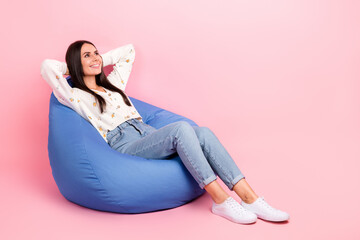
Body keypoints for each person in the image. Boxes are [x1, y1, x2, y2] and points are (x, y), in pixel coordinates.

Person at [41, 40, 290, 224]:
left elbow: (129, 51)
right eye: (88, 55)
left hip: (146, 133)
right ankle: (221, 201)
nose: (96, 58)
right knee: (182, 129)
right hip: (124, 143)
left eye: (96, 52)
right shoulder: (75, 96)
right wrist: (73, 66)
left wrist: (98, 61)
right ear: (75, 62)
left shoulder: (114, 85)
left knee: (202, 132)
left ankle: (250, 198)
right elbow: (47, 68)